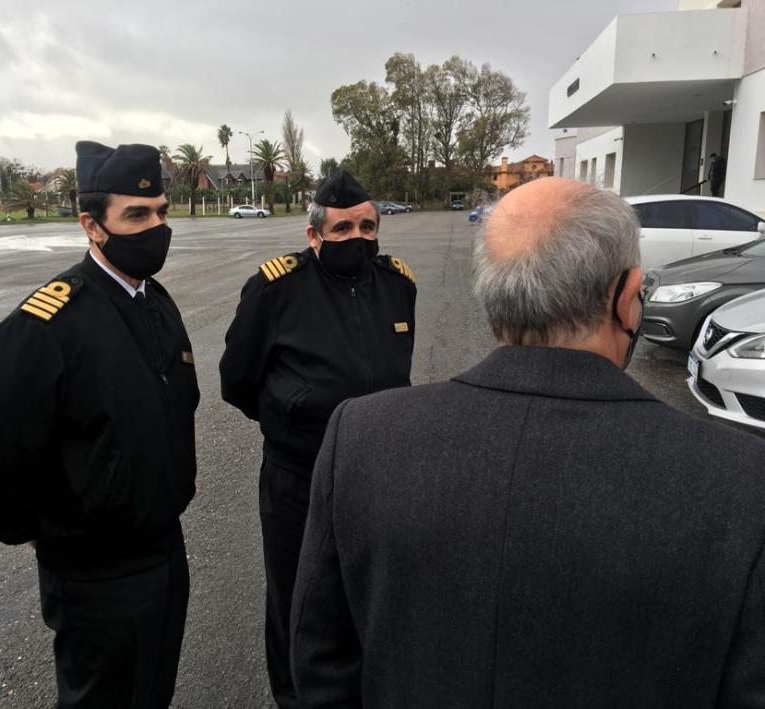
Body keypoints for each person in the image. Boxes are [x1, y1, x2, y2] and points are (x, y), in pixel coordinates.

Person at [291, 177, 765, 707]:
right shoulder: (740, 482)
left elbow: (322, 662)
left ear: (492, 297)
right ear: (628, 299)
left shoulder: (362, 438)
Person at [0, 142, 199, 709]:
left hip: (165, 553)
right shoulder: (44, 327)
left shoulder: (157, 305)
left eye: (162, 212)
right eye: (137, 215)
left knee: (152, 692)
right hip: (95, 576)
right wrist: (65, 536)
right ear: (92, 226)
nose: (157, 227)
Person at [220, 170, 417, 708]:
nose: (358, 238)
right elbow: (236, 380)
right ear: (314, 236)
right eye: (342, 229)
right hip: (297, 476)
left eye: (367, 226)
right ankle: (294, 699)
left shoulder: (399, 283)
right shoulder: (276, 288)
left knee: (367, 590)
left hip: (376, 472)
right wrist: (292, 415)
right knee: (295, 599)